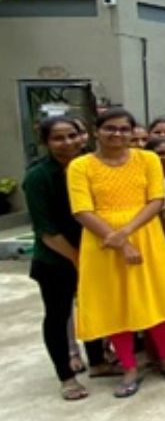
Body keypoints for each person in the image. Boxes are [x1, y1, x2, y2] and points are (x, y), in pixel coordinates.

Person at [68, 108, 165, 398]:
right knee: (115, 304)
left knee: (154, 298)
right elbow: (81, 210)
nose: (117, 134)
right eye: (110, 128)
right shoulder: (80, 166)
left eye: (124, 129)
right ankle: (129, 368)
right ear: (97, 131)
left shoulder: (147, 159)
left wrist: (126, 232)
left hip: (146, 234)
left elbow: (156, 200)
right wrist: (118, 240)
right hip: (102, 242)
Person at [23, 116, 111, 400]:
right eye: (58, 138)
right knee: (58, 315)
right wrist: (77, 258)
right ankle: (66, 376)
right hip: (56, 258)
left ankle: (97, 362)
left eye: (72, 135)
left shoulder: (91, 165)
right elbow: (46, 230)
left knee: (93, 307)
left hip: (93, 251)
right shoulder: (38, 177)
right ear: (46, 142)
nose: (68, 142)